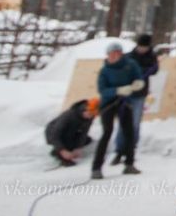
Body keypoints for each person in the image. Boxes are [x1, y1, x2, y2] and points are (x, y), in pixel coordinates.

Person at [91, 41, 144, 179]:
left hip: (125, 103)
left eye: (117, 53)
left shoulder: (130, 65)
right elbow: (102, 90)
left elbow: (138, 76)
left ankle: (129, 164)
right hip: (109, 104)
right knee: (107, 132)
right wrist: (117, 90)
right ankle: (96, 168)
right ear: (108, 55)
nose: (115, 56)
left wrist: (138, 83)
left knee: (129, 132)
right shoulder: (105, 70)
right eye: (112, 54)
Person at [112, 33, 159, 165]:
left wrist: (141, 73)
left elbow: (154, 70)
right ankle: (119, 150)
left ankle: (130, 149)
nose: (142, 49)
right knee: (123, 123)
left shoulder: (152, 57)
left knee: (135, 123)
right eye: (140, 47)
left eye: (144, 47)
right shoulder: (129, 56)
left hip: (140, 94)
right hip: (127, 93)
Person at [44, 97, 98, 166]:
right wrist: (62, 151)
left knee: (87, 140)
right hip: (53, 133)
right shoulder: (69, 116)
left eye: (93, 115)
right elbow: (55, 135)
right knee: (67, 143)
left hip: (72, 132)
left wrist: (78, 147)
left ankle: (64, 149)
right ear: (84, 110)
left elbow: (84, 133)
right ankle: (58, 153)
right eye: (90, 114)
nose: (90, 117)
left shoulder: (89, 117)